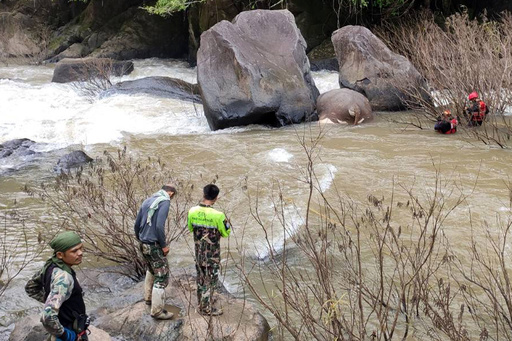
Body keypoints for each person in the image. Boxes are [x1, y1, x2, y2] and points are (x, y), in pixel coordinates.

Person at [134, 184, 176, 320]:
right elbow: (159, 225)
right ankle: (157, 311)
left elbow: (137, 224)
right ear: (170, 193)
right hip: (154, 244)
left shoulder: (148, 200)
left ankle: (148, 298)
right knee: (162, 276)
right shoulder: (164, 202)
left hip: (142, 242)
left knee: (151, 269)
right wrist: (163, 245)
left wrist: (140, 239)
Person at [188, 184, 231, 316]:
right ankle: (205, 308)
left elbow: (190, 229)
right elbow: (226, 233)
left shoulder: (192, 211)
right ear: (216, 198)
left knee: (200, 277)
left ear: (203, 194)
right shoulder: (219, 215)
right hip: (212, 254)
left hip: (199, 252)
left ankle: (201, 301)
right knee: (211, 279)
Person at [40, 231, 89, 341]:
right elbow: (47, 316)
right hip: (68, 331)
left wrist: (52, 300)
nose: (80, 253)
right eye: (74, 251)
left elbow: (31, 287)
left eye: (81, 248)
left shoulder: (49, 265)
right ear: (60, 255)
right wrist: (66, 335)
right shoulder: (64, 278)